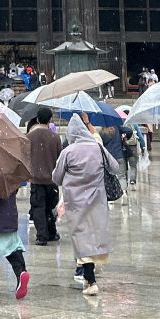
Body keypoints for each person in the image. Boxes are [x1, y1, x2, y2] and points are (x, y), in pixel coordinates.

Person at [53, 115, 118, 297]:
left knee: (81, 237)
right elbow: (114, 167)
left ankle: (89, 280)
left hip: (75, 202)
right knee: (94, 235)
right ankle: (90, 274)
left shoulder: (68, 152)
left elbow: (56, 177)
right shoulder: (98, 148)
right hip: (97, 200)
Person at [27, 106, 61, 245]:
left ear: (38, 119)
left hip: (35, 178)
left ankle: (42, 235)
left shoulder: (29, 137)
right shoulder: (55, 137)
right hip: (51, 178)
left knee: (38, 207)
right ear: (50, 119)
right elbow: (60, 156)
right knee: (50, 207)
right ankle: (52, 232)